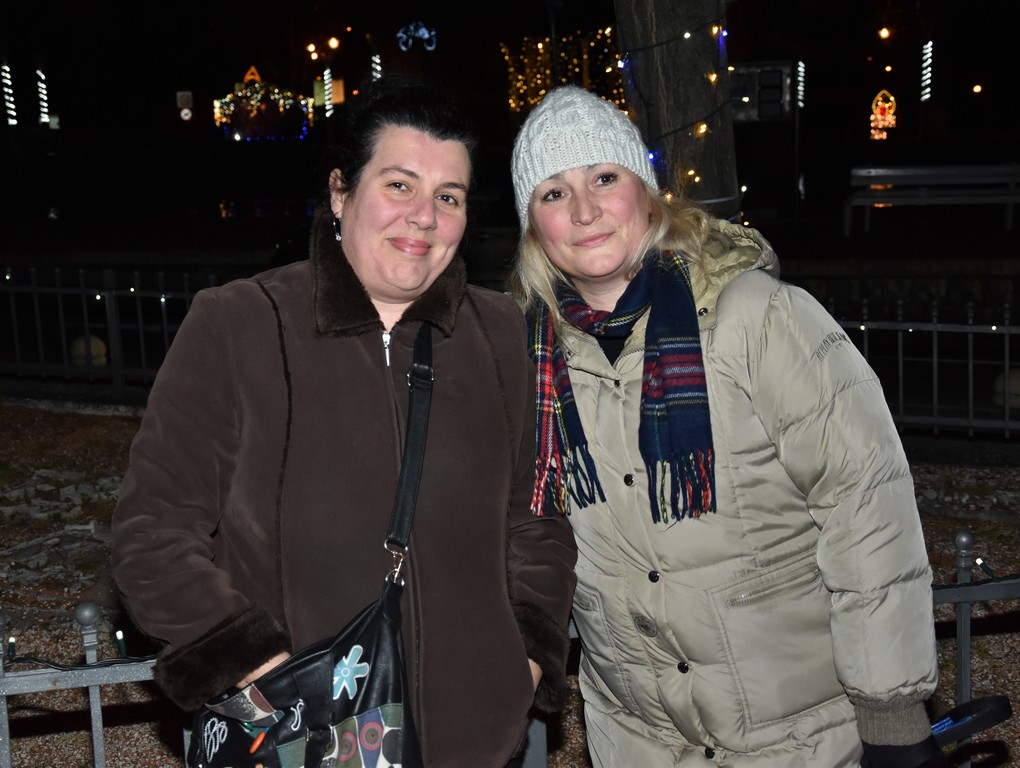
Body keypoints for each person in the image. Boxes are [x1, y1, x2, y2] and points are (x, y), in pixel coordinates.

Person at [111, 73, 578, 767]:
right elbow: (152, 535)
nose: (423, 217)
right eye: (399, 185)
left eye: (448, 196)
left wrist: (524, 666)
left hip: (476, 743)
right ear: (340, 191)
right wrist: (264, 674)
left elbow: (537, 523)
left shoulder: (502, 335)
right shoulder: (242, 324)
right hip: (302, 741)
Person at [507, 84, 946, 768]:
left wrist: (891, 715)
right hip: (639, 746)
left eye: (603, 178)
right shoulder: (530, 364)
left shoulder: (759, 318)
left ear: (644, 190)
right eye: (554, 192)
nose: (585, 210)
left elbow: (865, 505)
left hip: (798, 744)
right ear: (533, 223)